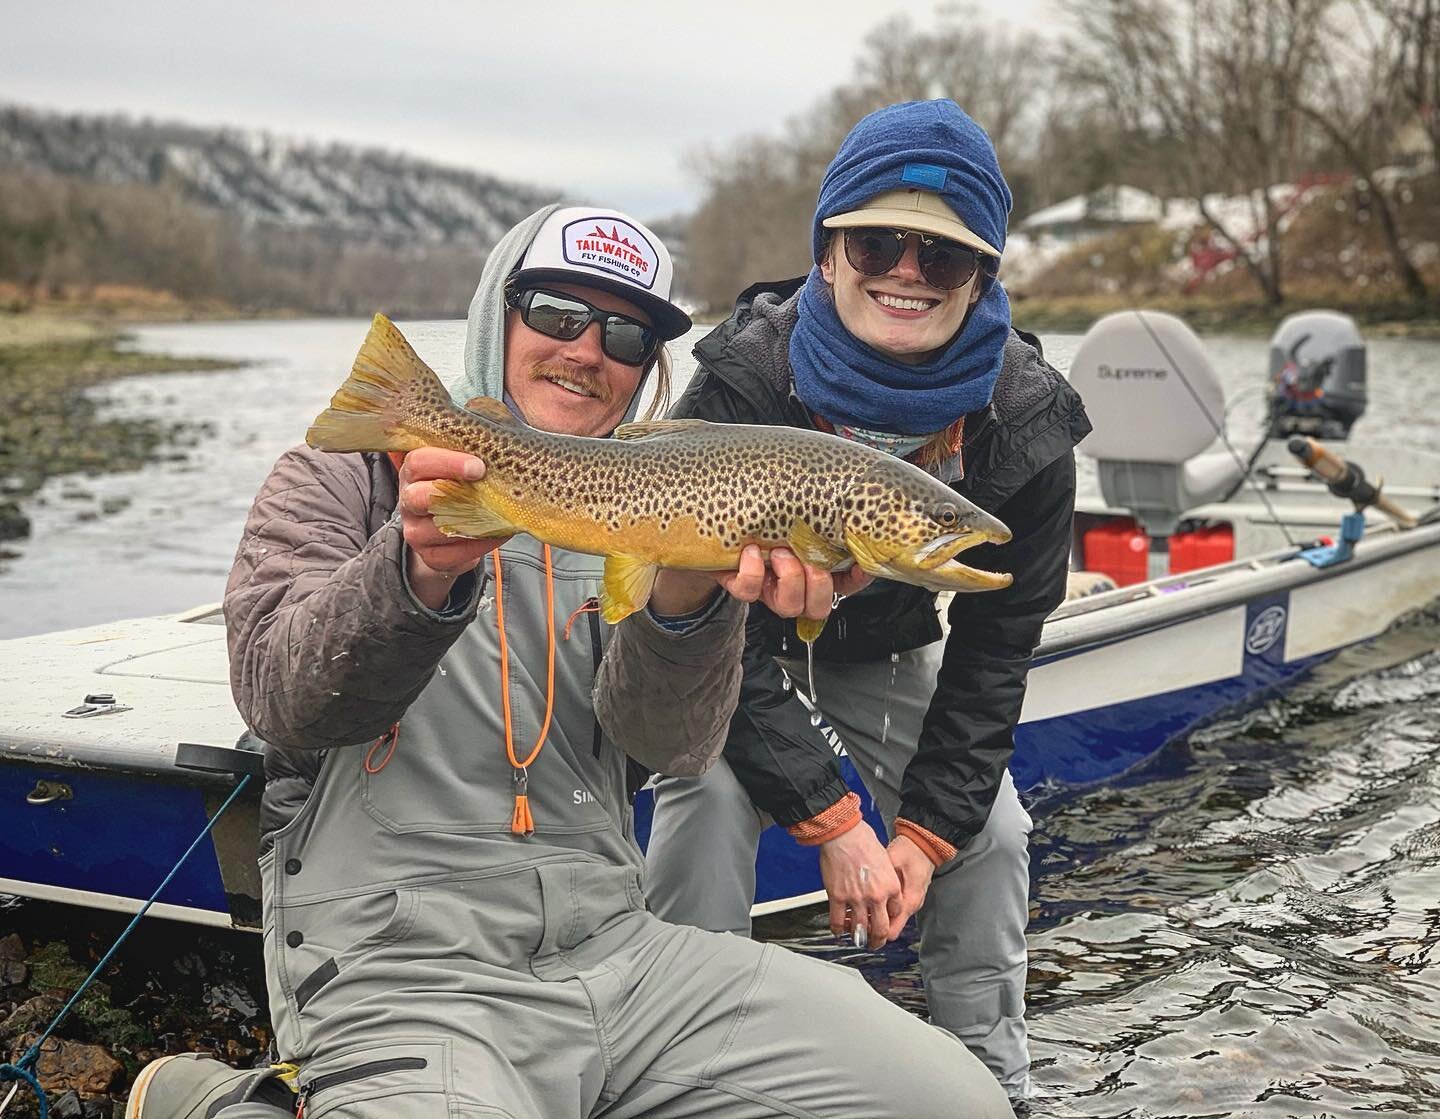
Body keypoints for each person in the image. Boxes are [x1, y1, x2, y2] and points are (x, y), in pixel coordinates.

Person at [124, 203, 1012, 1119]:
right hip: (408, 968)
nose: (587, 349)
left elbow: (666, 749)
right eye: (554, 312)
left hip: (620, 953)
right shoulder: (341, 478)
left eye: (626, 333)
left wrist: (685, 597)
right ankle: (225, 1106)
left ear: (648, 368)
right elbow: (282, 700)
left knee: (955, 1103)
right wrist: (417, 566)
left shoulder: (659, 510)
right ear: (496, 315)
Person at [642, 100, 1091, 1109]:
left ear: (983, 276)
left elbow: (995, 655)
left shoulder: (1025, 422)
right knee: (707, 803)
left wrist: (923, 836)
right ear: (829, 249)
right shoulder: (740, 382)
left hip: (890, 658)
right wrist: (833, 818)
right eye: (878, 240)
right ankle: (679, 1060)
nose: (906, 271)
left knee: (993, 833)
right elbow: (694, 643)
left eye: (943, 257)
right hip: (733, 648)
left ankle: (990, 1080)